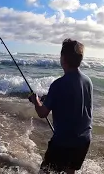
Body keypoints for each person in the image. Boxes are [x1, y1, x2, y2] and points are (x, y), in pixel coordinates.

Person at [28, 38, 93, 174]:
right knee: (70, 171)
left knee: (45, 172)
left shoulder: (58, 85)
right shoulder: (88, 81)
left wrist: (36, 100)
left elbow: (42, 113)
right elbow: (74, 101)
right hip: (84, 141)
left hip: (63, 143)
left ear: (63, 59)